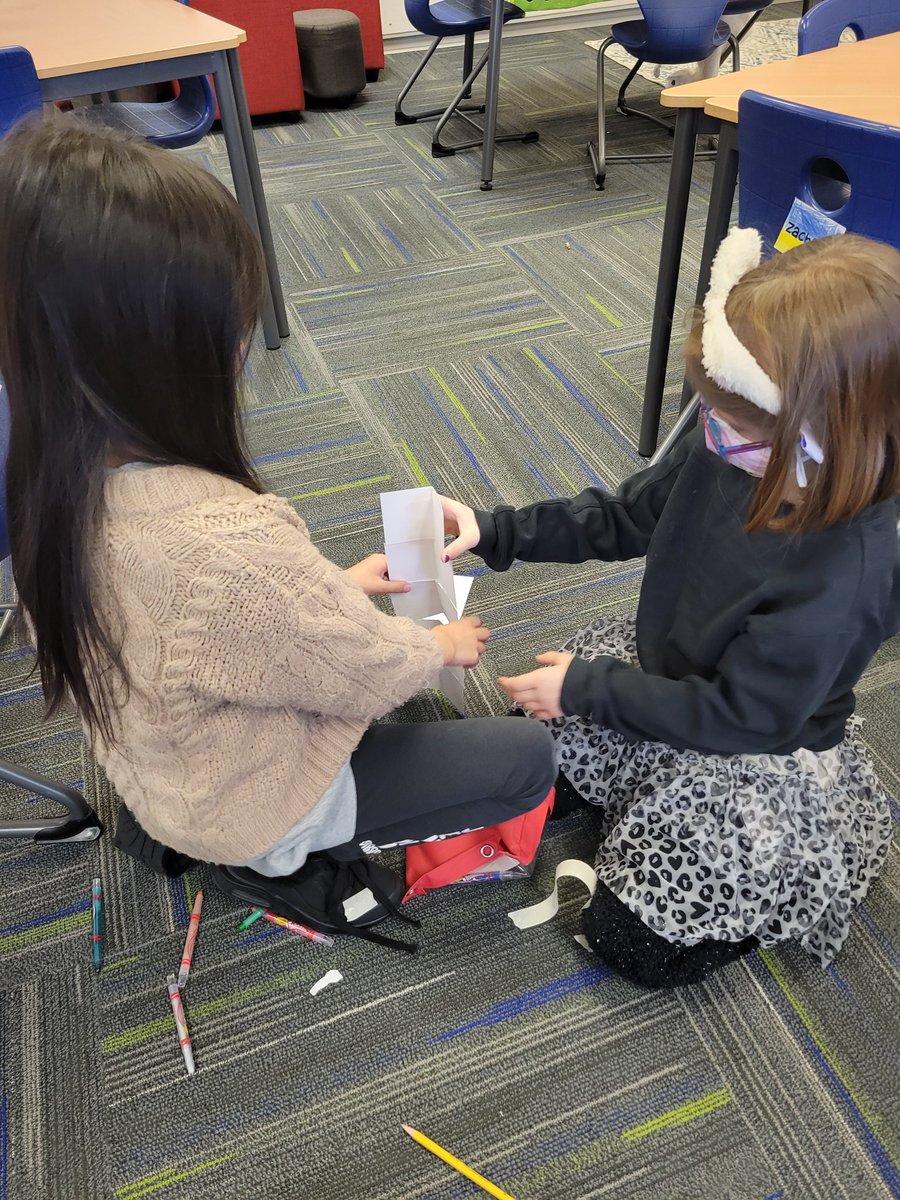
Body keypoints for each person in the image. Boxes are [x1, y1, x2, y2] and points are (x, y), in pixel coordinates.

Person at [0, 119, 556, 947]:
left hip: (160, 775)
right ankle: (287, 855)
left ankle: (249, 836)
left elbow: (199, 627)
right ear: (168, 355)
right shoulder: (220, 538)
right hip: (251, 806)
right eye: (232, 332)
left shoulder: (45, 482)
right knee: (528, 761)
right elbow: (356, 672)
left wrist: (333, 588)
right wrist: (439, 650)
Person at [440, 228, 900, 986]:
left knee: (633, 945)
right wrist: (497, 531)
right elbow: (628, 515)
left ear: (834, 438)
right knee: (520, 761)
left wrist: (589, 688)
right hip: (671, 668)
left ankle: (738, 897)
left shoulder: (847, 572)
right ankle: (632, 783)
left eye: (743, 430)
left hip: (751, 746)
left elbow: (743, 717)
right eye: (715, 416)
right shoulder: (734, 439)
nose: (714, 439)